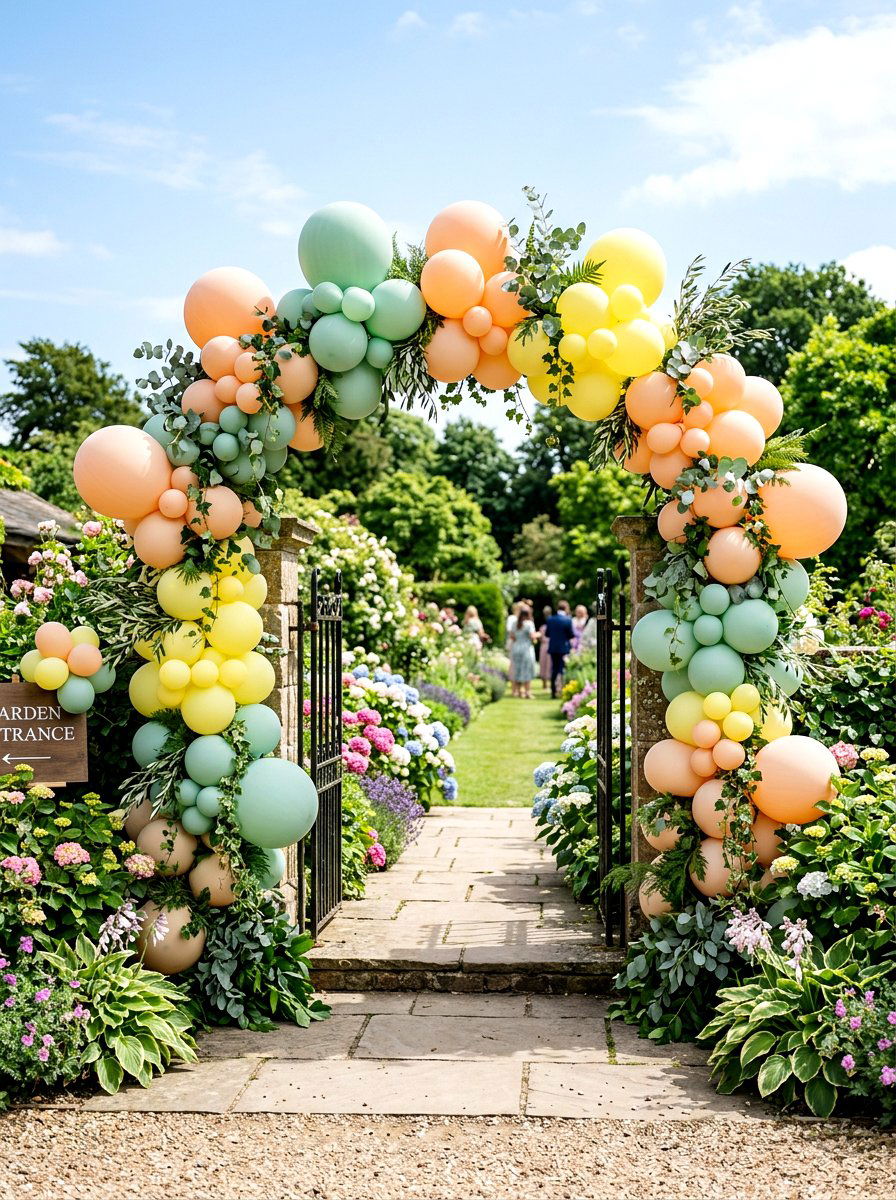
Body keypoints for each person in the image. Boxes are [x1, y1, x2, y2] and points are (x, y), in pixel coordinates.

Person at [544, 600, 574, 699]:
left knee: (554, 669)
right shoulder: (568, 620)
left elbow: (547, 634)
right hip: (564, 648)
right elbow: (571, 635)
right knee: (562, 669)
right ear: (566, 608)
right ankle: (562, 690)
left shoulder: (550, 619)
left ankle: (553, 692)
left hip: (553, 648)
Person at [509, 604, 537, 699]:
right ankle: (527, 692)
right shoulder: (529, 624)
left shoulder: (515, 623)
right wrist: (539, 635)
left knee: (517, 669)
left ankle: (517, 691)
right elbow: (532, 637)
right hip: (526, 648)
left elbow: (512, 637)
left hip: (516, 647)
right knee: (527, 670)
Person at [538, 605, 552, 690]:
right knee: (544, 664)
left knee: (549, 664)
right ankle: (545, 684)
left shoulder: (548, 624)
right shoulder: (543, 626)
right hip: (545, 645)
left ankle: (547, 684)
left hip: (547, 645)